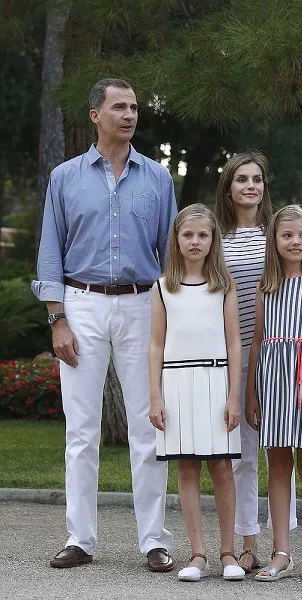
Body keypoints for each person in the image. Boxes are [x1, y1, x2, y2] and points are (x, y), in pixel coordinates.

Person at [31, 78, 177, 571]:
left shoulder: (158, 178)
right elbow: (50, 251)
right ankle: (80, 539)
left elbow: (172, 257)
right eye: (119, 106)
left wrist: (171, 316)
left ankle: (155, 540)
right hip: (82, 305)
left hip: (142, 306)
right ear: (95, 115)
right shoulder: (65, 178)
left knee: (149, 427)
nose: (130, 114)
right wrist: (57, 320)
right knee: (81, 430)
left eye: (134, 106)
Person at [149, 203, 245, 582]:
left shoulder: (224, 286)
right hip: (176, 384)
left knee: (222, 466)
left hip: (216, 382)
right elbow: (156, 345)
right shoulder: (162, 287)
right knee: (186, 467)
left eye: (202, 235)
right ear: (176, 239)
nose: (195, 241)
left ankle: (228, 553)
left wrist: (234, 394)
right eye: (188, 235)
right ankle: (198, 554)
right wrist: (155, 396)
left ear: (212, 240)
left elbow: (235, 342)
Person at [245, 204, 302, 583]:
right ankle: (281, 552)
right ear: (275, 240)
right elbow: (255, 345)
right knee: (278, 465)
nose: (295, 241)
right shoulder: (265, 286)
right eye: (287, 235)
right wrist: (252, 394)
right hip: (274, 386)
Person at [214, 151, 297, 573]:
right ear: (228, 186)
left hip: (279, 353)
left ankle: (283, 545)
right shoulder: (216, 238)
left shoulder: (276, 236)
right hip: (235, 354)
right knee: (241, 454)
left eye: (257, 179)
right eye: (242, 178)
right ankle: (248, 544)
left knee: (280, 449)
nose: (250, 185)